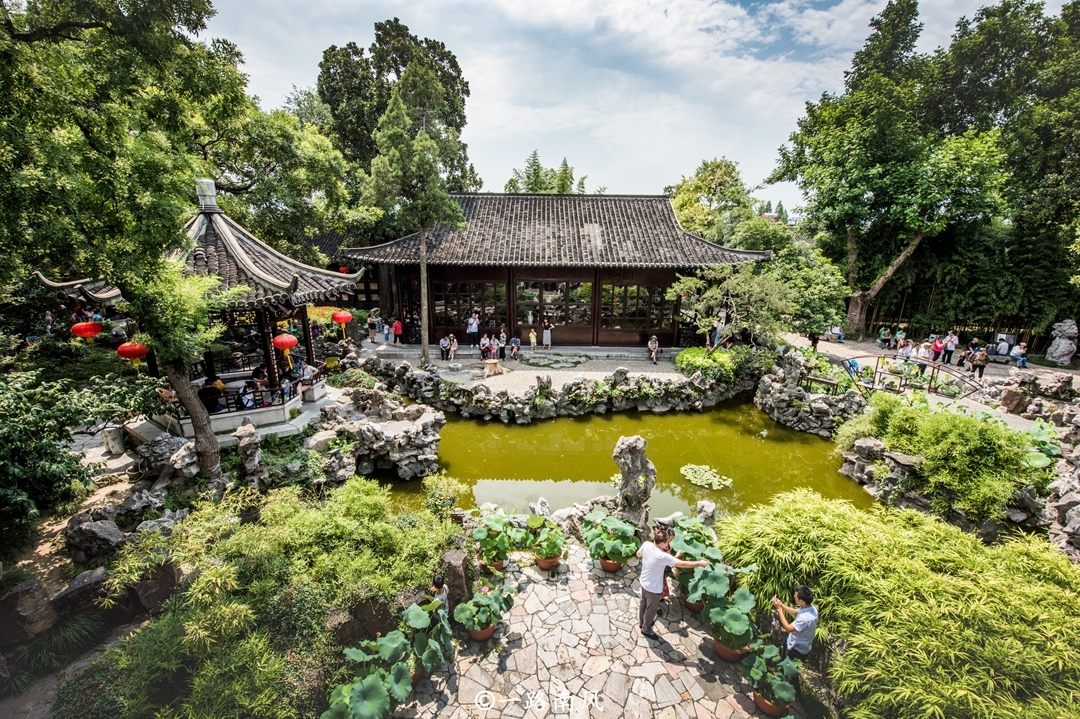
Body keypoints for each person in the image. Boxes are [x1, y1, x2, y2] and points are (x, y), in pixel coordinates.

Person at [636, 528, 708, 639]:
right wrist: (699, 563)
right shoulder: (662, 556)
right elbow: (682, 564)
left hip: (644, 582)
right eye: (667, 543)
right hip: (654, 588)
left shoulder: (646, 544)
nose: (667, 545)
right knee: (651, 609)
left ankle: (641, 623)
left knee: (643, 604)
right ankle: (646, 629)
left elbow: (638, 554)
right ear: (663, 543)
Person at [773, 586, 818, 661]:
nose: (794, 596)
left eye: (796, 596)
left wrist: (779, 610)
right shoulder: (811, 608)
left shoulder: (805, 618)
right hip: (792, 641)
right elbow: (796, 612)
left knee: (787, 669)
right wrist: (782, 606)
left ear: (802, 601)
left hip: (796, 650)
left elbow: (788, 628)